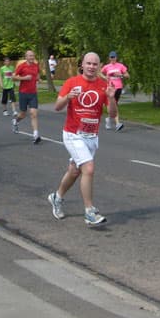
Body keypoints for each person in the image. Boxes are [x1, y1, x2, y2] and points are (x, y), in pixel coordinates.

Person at [47, 52, 117, 227]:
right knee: (89, 168)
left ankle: (57, 197)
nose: (92, 67)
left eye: (95, 64)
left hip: (91, 137)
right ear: (82, 65)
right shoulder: (72, 82)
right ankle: (89, 211)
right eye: (88, 63)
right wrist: (68, 97)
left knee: (74, 171)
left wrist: (110, 97)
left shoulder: (103, 85)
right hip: (73, 134)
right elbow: (57, 107)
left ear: (99, 66)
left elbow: (113, 114)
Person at [12, 49, 42, 144]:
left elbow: (37, 74)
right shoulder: (22, 66)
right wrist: (24, 78)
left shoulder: (36, 65)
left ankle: (36, 135)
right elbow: (13, 77)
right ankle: (16, 121)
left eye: (33, 55)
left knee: (33, 113)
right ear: (26, 57)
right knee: (23, 114)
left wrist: (38, 79)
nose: (32, 57)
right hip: (23, 93)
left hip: (33, 93)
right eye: (30, 56)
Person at [101, 51, 129, 131]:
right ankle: (117, 124)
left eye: (114, 57)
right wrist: (105, 77)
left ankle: (109, 119)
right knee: (114, 106)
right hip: (110, 89)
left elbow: (127, 75)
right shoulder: (107, 67)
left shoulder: (120, 66)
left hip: (118, 88)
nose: (112, 59)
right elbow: (99, 72)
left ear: (116, 57)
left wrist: (120, 75)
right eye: (111, 57)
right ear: (109, 58)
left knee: (114, 105)